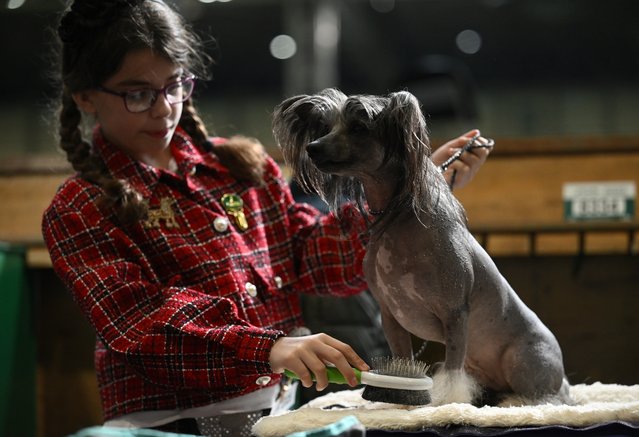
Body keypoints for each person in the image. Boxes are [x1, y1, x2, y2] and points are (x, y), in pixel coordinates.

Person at [43, 0, 491, 435]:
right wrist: (268, 347)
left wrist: (413, 190)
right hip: (164, 426)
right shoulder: (81, 207)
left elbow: (313, 254)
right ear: (85, 96)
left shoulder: (241, 169)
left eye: (176, 84)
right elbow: (142, 325)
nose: (164, 107)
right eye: (137, 94)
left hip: (281, 419)